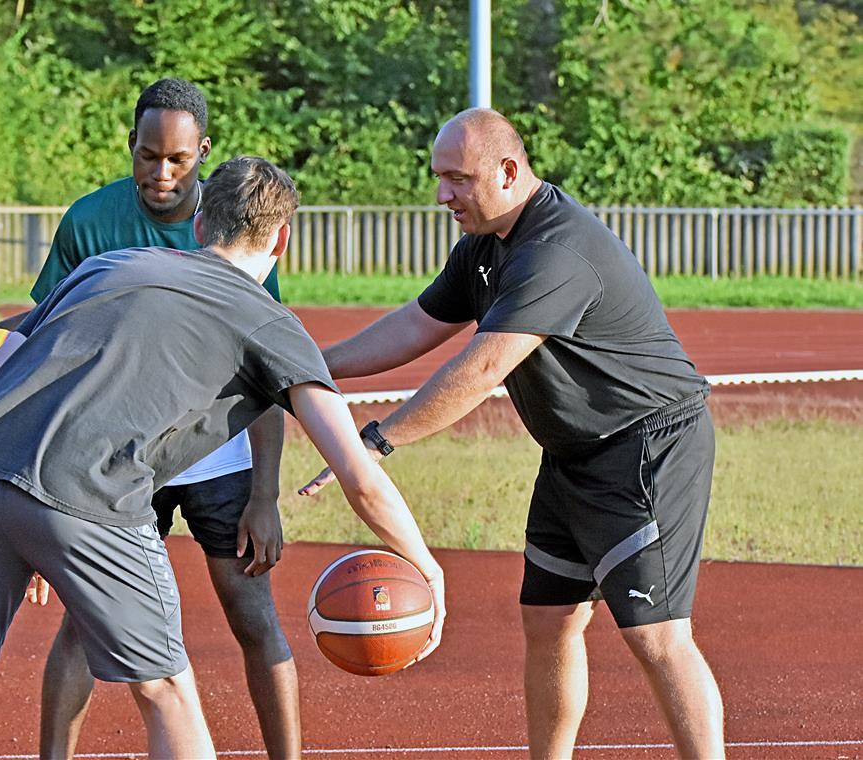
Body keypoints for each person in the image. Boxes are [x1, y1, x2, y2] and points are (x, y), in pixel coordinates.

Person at [0, 156, 446, 759]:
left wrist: (19, 525)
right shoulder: (271, 322)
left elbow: (1, 368)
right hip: (87, 493)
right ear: (283, 238)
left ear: (201, 225)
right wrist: (426, 565)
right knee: (168, 694)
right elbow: (358, 477)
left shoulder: (108, 265)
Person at [300, 108, 725, 759]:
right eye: (439, 177)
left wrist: (376, 440)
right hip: (572, 453)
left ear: (507, 170)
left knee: (656, 636)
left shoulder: (555, 250)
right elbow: (416, 325)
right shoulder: (484, 246)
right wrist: (310, 366)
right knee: (549, 622)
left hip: (645, 447)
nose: (443, 195)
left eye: (458, 179)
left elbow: (483, 367)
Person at [0, 79, 299, 758]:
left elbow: (268, 365)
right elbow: (48, 332)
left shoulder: (232, 222)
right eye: (148, 155)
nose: (162, 173)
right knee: (83, 624)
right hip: (113, 450)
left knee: (252, 612)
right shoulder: (90, 220)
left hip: (214, 451)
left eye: (179, 160)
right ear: (130, 144)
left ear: (203, 154)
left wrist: (266, 495)